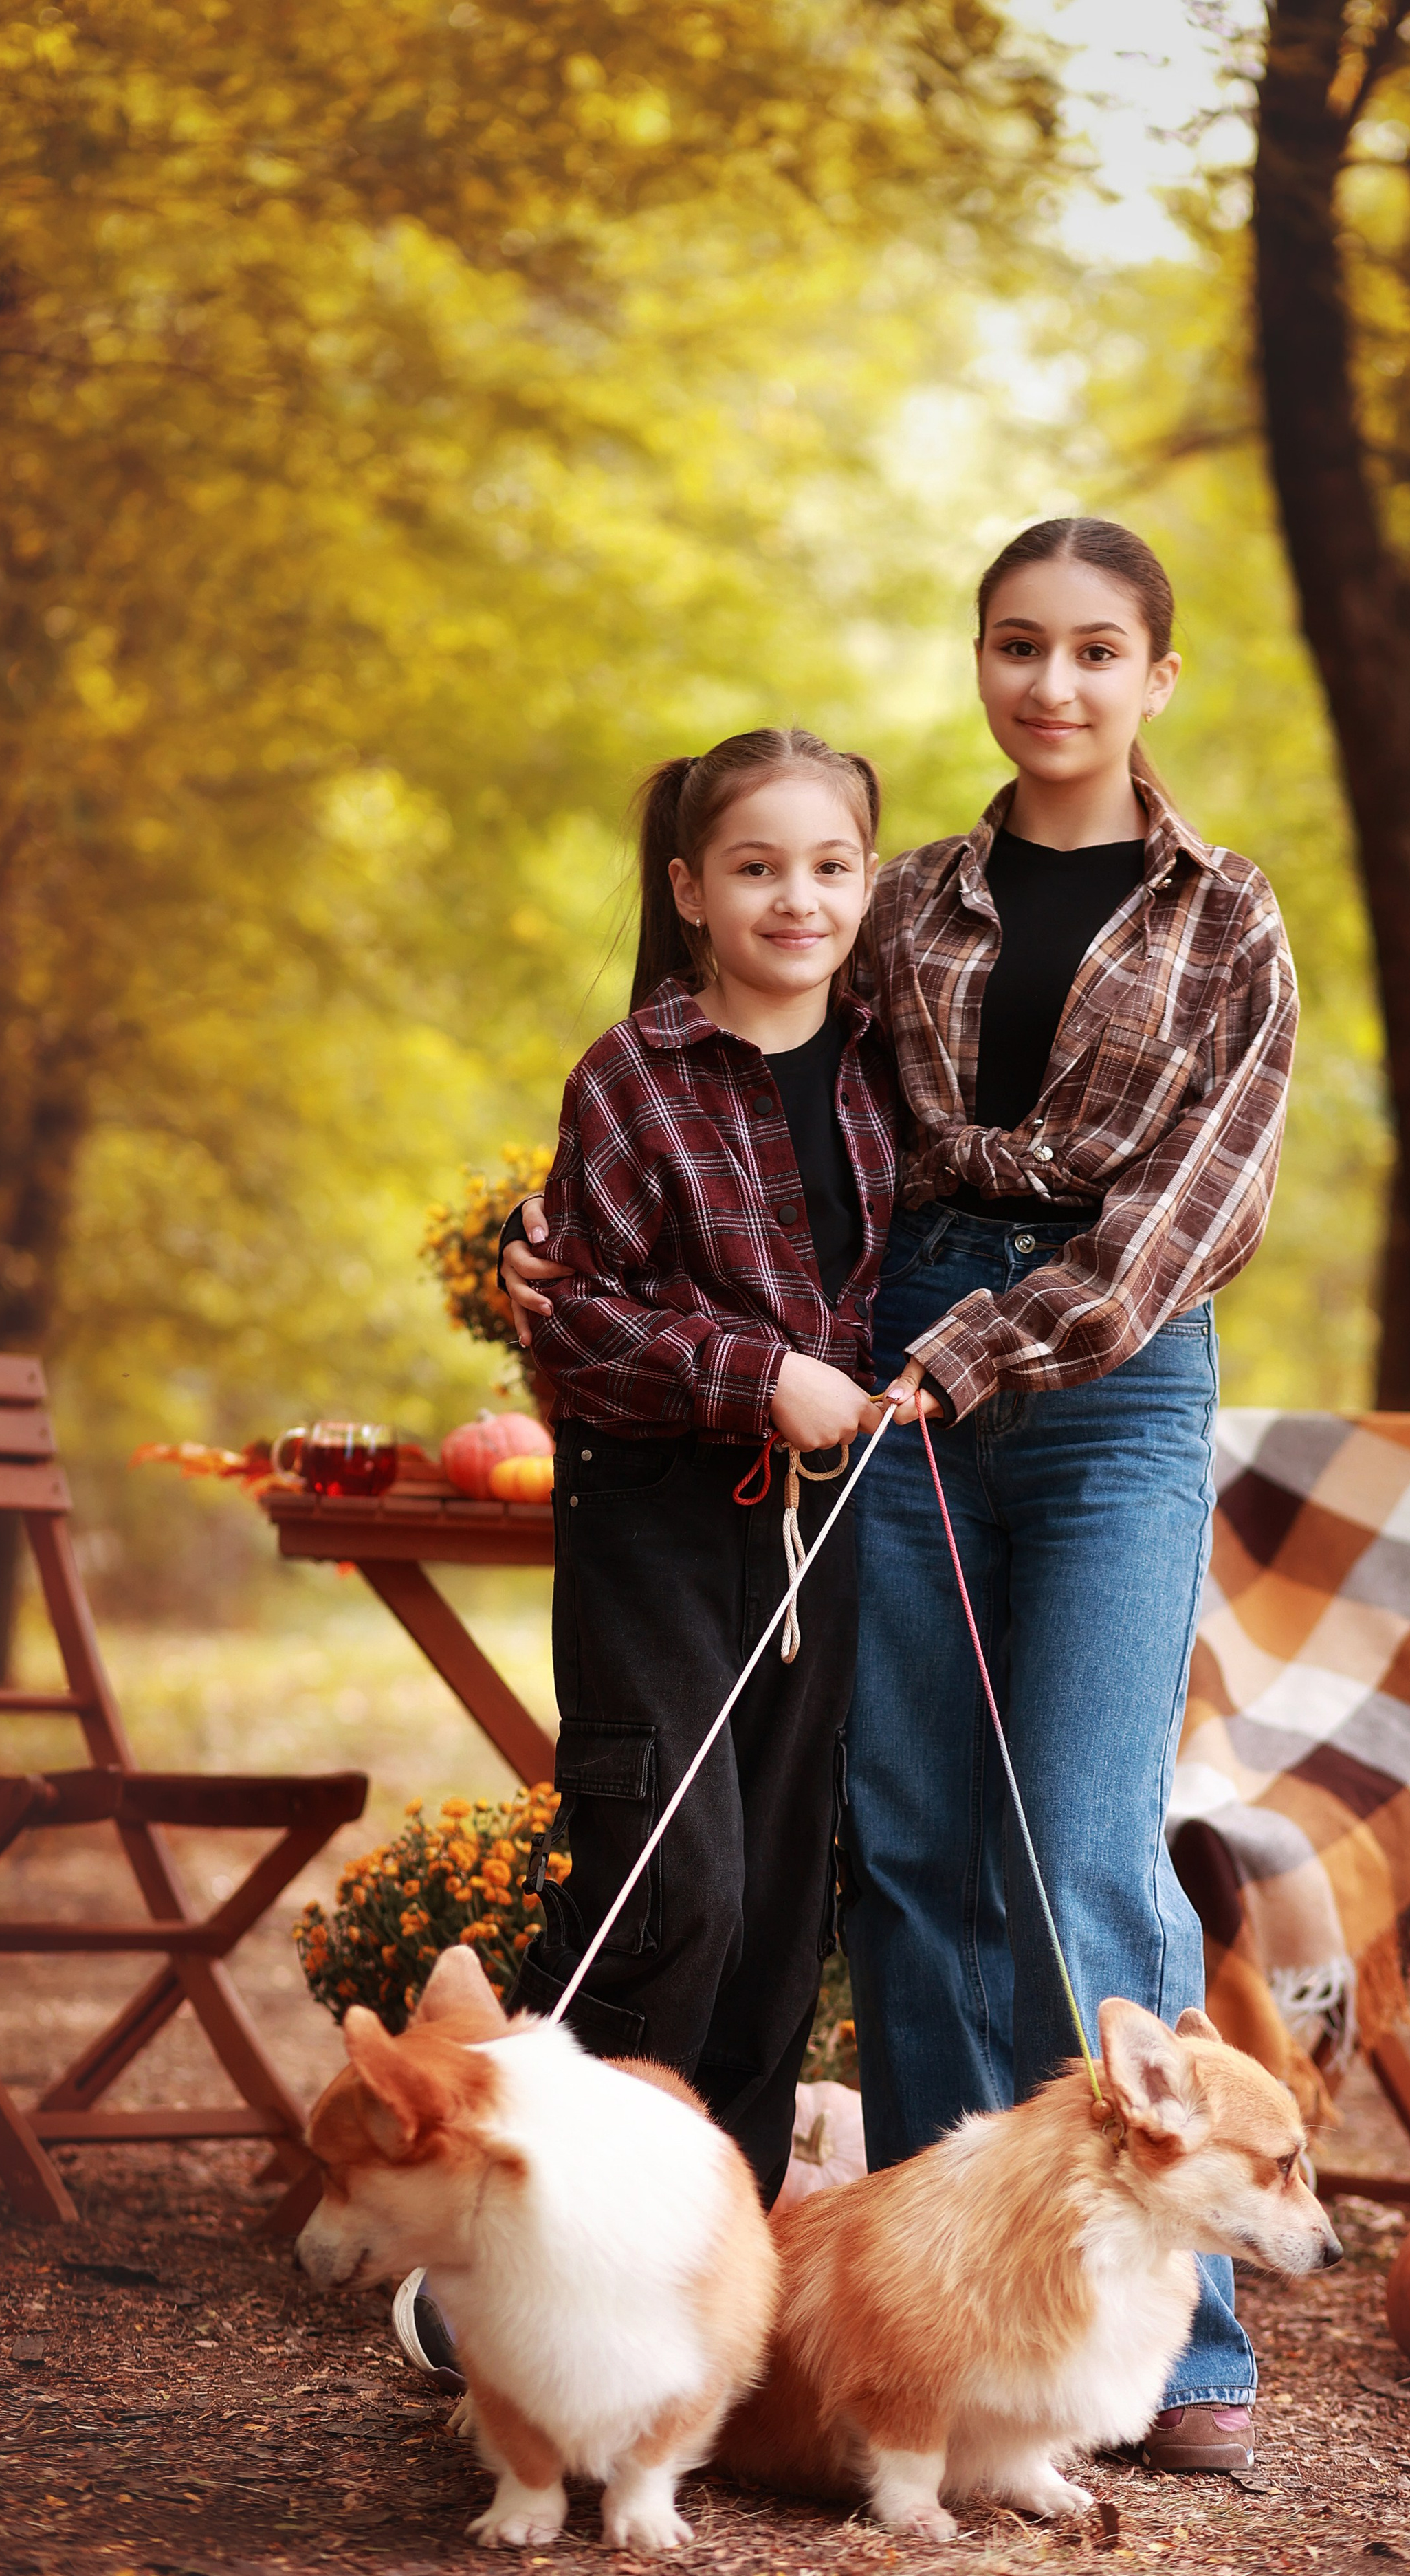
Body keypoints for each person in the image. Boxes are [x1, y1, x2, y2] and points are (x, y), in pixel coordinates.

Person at [504, 520, 1298, 2472]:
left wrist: (995, 1344)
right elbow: (741, 1083)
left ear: (1157, 678)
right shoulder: (909, 896)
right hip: (897, 1364)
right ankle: (950, 2336)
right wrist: (541, 1245)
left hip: (1104, 1371)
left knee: (1088, 1834)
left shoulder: (1227, 917)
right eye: (1019, 647)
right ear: (979, 662)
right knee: (921, 1839)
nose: (1055, 686)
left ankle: (1178, 2346)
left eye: (1098, 652)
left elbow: (1202, 1204)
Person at [500, 725, 893, 2213]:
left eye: (828, 866)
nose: (795, 899)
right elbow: (574, 1328)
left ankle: (700, 2237)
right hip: (655, 1517)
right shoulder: (632, 1076)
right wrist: (755, 1376)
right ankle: (536, 2191)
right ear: (687, 888)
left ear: (866, 883)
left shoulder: (883, 1067)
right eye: (754, 867)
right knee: (676, 1883)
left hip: (821, 1530)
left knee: (785, 1908)